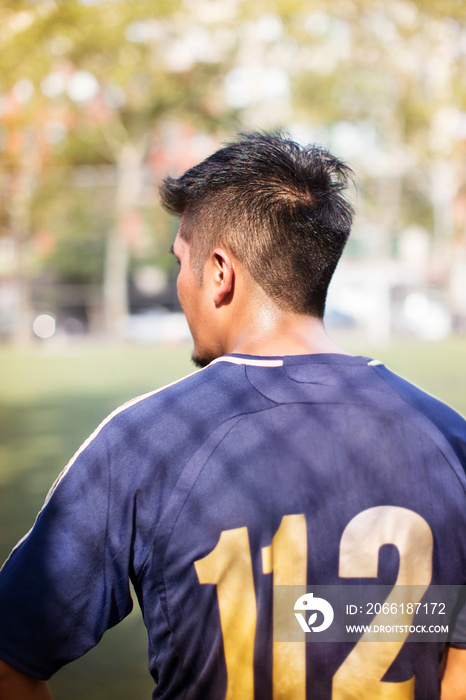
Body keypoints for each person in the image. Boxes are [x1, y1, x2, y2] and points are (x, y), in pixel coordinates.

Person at [0, 131, 465, 699]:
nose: (178, 284)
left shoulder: (146, 440)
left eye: (180, 261)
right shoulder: (448, 436)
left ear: (219, 273)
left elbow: (10, 659)